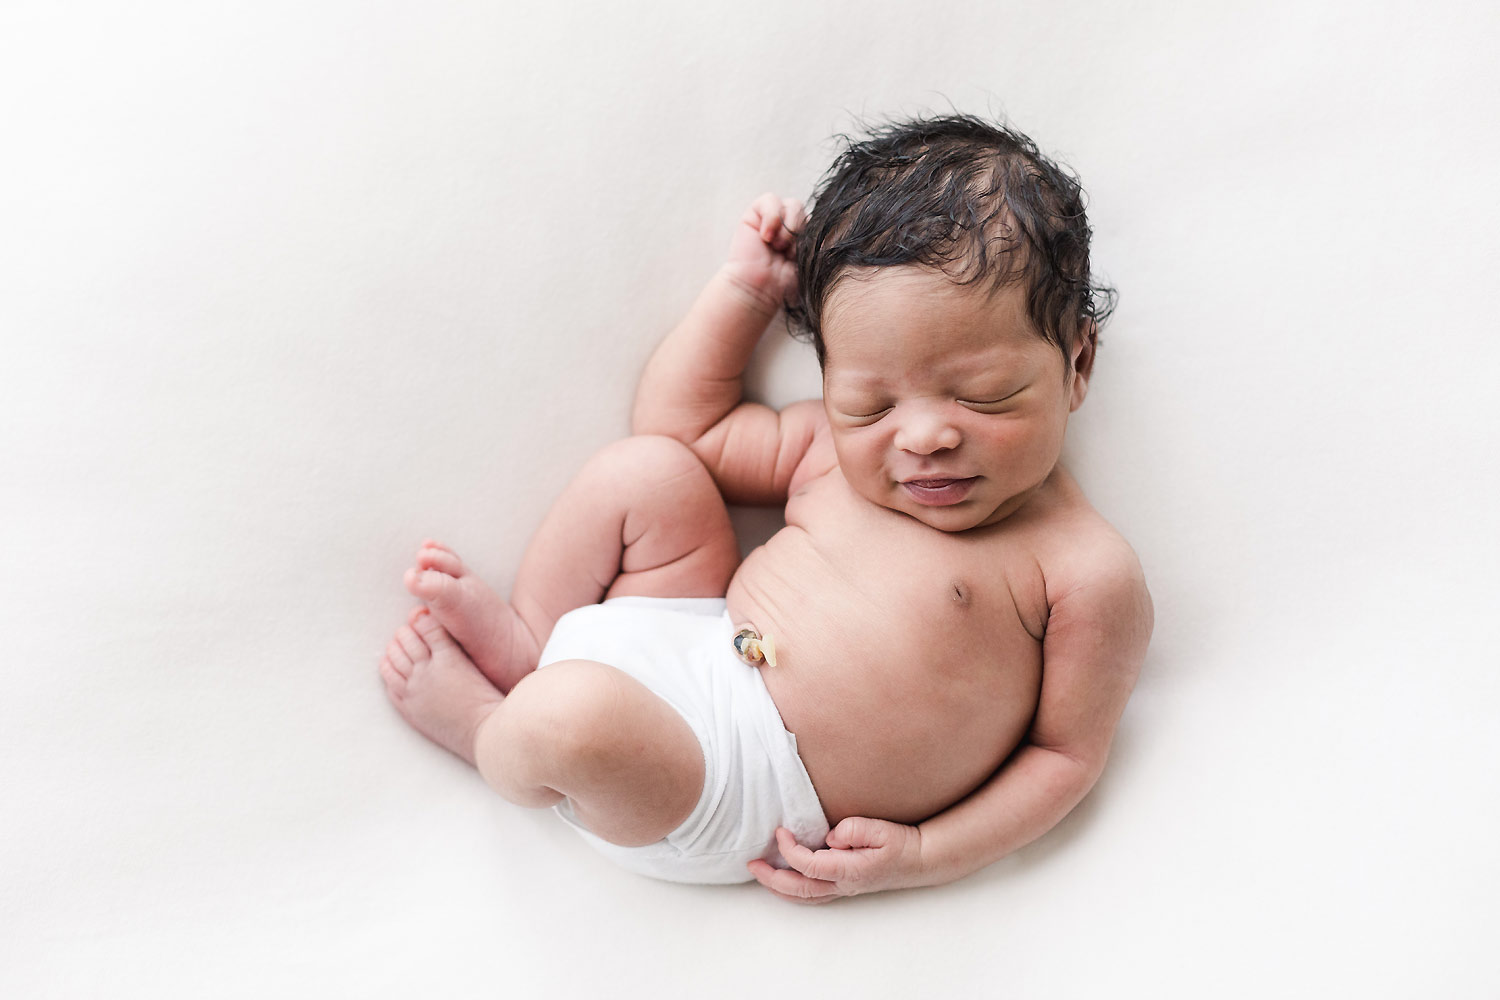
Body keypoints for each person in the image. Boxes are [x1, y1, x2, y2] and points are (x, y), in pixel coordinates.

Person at [376, 114, 1153, 903]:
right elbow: (685, 423)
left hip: (730, 783)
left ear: (1077, 362)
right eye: (868, 403)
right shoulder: (828, 453)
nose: (921, 436)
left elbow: (1064, 759)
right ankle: (532, 640)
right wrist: (746, 294)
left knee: (568, 719)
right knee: (648, 471)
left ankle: (488, 731)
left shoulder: (1081, 571)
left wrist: (923, 854)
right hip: (688, 633)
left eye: (985, 396)